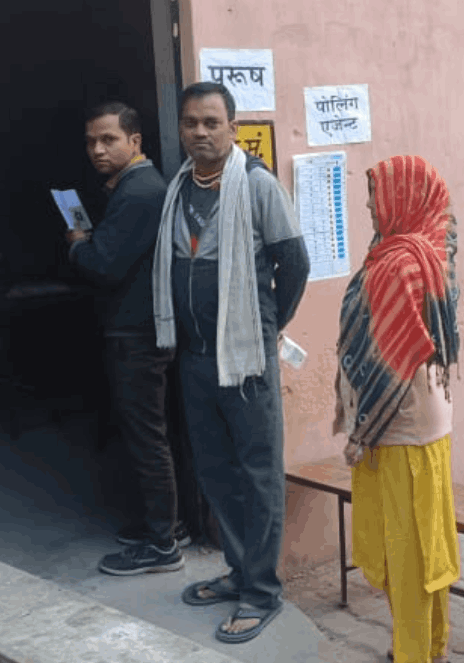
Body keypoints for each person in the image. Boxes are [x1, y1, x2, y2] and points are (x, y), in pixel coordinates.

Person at [153, 82, 310, 644]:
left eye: (211, 122)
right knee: (217, 472)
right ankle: (240, 571)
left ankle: (262, 592)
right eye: (191, 122)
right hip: (195, 359)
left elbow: (294, 265)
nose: (200, 132)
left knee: (258, 475)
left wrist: (265, 330)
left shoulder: (259, 185)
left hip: (245, 363)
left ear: (232, 128)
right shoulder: (177, 188)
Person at [333, 155, 461, 663]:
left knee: (408, 555)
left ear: (404, 197)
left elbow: (391, 364)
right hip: (419, 427)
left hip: (399, 429)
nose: (368, 204)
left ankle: (414, 654)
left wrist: (361, 432)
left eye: (375, 193)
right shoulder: (427, 248)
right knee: (422, 550)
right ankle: (429, 648)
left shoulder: (401, 262)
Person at [65, 101, 186, 576]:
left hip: (135, 331)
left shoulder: (139, 191)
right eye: (92, 141)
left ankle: (162, 545)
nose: (97, 149)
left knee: (146, 436)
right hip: (142, 326)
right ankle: (166, 526)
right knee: (151, 431)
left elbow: (105, 264)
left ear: (135, 142)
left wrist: (78, 247)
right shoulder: (134, 187)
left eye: (108, 139)